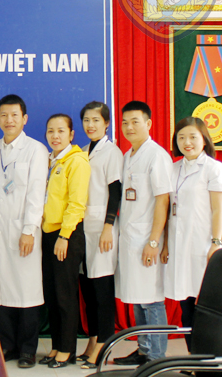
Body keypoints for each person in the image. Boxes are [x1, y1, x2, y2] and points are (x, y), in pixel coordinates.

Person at [0, 94, 48, 369]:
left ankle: (28, 349)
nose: (9, 120)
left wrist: (29, 230)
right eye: (4, 115)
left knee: (26, 291)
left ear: (24, 118)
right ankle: (8, 344)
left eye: (14, 115)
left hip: (23, 230)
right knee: (0, 291)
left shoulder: (35, 150)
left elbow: (36, 193)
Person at [113, 101, 173, 365]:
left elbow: (162, 200)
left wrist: (154, 241)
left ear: (148, 123)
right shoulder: (128, 155)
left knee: (151, 299)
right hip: (130, 238)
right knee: (138, 298)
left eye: (135, 122)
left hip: (147, 238)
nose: (129, 127)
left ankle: (156, 357)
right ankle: (144, 350)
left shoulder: (156, 155)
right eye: (125, 122)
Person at [163, 117, 222, 350]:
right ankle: (193, 355)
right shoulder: (172, 168)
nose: (187, 142)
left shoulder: (214, 169)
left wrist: (216, 242)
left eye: (193, 137)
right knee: (186, 304)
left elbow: (218, 210)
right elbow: (167, 209)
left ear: (204, 140)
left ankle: (209, 355)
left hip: (202, 244)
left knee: (206, 304)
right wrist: (165, 244)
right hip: (178, 245)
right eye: (181, 137)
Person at [39, 114, 90, 368]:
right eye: (51, 131)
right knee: (52, 294)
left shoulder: (77, 161)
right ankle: (56, 345)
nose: (55, 136)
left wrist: (64, 235)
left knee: (65, 294)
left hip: (66, 235)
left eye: (61, 131)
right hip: (48, 233)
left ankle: (67, 350)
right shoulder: (51, 161)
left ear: (71, 134)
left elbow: (77, 203)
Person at [77, 102, 123, 369]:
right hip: (84, 229)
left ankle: (103, 347)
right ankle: (92, 341)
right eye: (86, 120)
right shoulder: (82, 151)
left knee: (102, 291)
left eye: (96, 120)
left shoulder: (112, 152)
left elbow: (115, 193)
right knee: (88, 290)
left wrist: (108, 226)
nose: (90, 125)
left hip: (102, 230)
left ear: (106, 123)